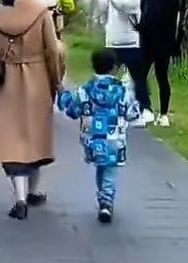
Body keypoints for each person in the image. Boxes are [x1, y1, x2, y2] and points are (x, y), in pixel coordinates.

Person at [0, 0, 64, 220]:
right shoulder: (41, 13)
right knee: (34, 138)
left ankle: (20, 198)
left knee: (12, 141)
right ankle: (32, 191)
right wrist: (56, 81)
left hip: (6, 82)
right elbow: (53, 51)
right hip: (37, 80)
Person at [59, 47, 141, 222]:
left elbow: (72, 111)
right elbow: (133, 114)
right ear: (114, 68)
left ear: (93, 66)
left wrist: (63, 95)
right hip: (115, 139)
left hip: (93, 139)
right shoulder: (122, 91)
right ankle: (106, 200)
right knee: (110, 170)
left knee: (101, 167)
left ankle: (103, 197)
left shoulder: (85, 90)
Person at [90, 0, 150, 119]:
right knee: (105, 77)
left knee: (138, 78)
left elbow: (122, 6)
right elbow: (103, 7)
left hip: (130, 43)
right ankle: (101, 105)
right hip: (113, 42)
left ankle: (145, 109)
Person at [139, 0, 180, 128]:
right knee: (163, 78)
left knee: (141, 75)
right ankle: (164, 114)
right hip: (167, 40)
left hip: (150, 40)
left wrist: (140, 27)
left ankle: (146, 108)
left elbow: (150, 15)